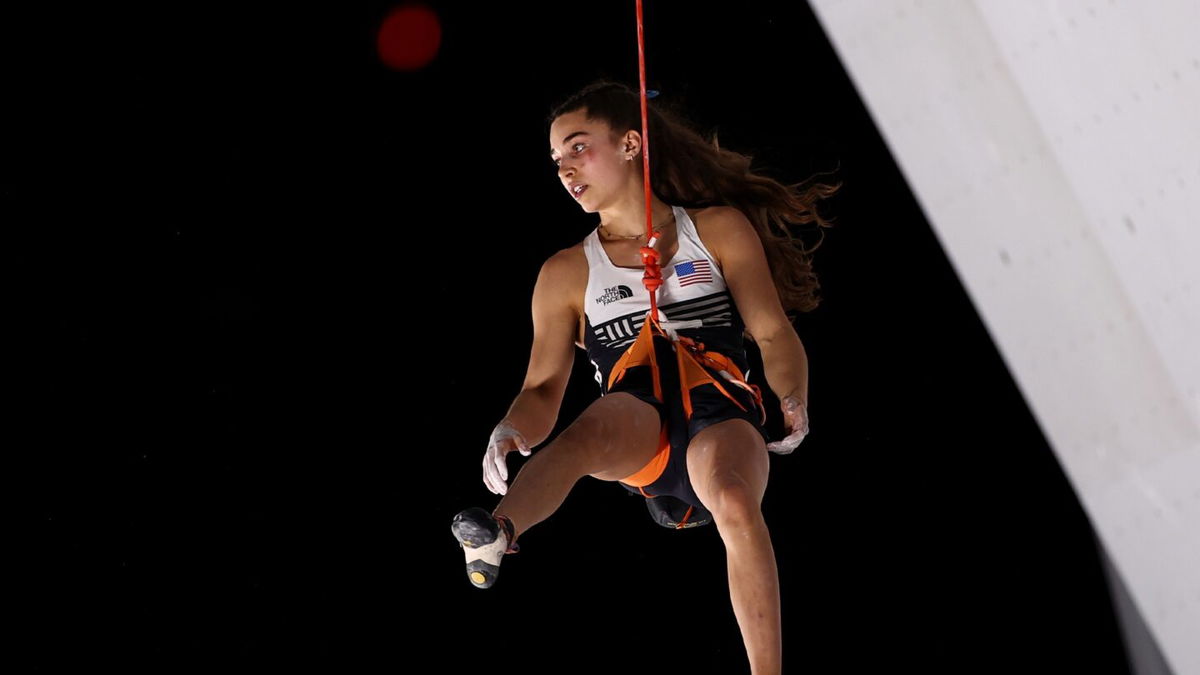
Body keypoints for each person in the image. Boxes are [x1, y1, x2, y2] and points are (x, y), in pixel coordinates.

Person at [450, 79, 840, 675]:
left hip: (720, 412)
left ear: (631, 143)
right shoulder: (565, 272)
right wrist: (508, 428)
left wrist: (794, 397)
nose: (565, 169)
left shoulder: (716, 230)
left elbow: (772, 333)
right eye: (556, 160)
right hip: (642, 427)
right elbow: (542, 388)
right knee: (594, 425)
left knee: (735, 498)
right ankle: (499, 531)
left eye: (578, 148)